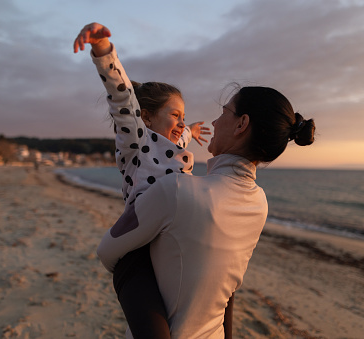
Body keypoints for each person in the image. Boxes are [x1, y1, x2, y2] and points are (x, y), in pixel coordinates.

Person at [97, 80, 316, 338]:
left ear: (241, 124)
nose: (214, 123)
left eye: (224, 113)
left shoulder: (176, 190)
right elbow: (224, 289)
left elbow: (108, 251)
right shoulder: (260, 204)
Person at [73, 23, 211, 338]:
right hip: (139, 248)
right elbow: (122, 102)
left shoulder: (174, 144)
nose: (182, 124)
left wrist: (190, 130)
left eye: (184, 117)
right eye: (175, 115)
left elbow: (179, 135)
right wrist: (103, 50)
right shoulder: (137, 141)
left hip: (171, 242)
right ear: (146, 117)